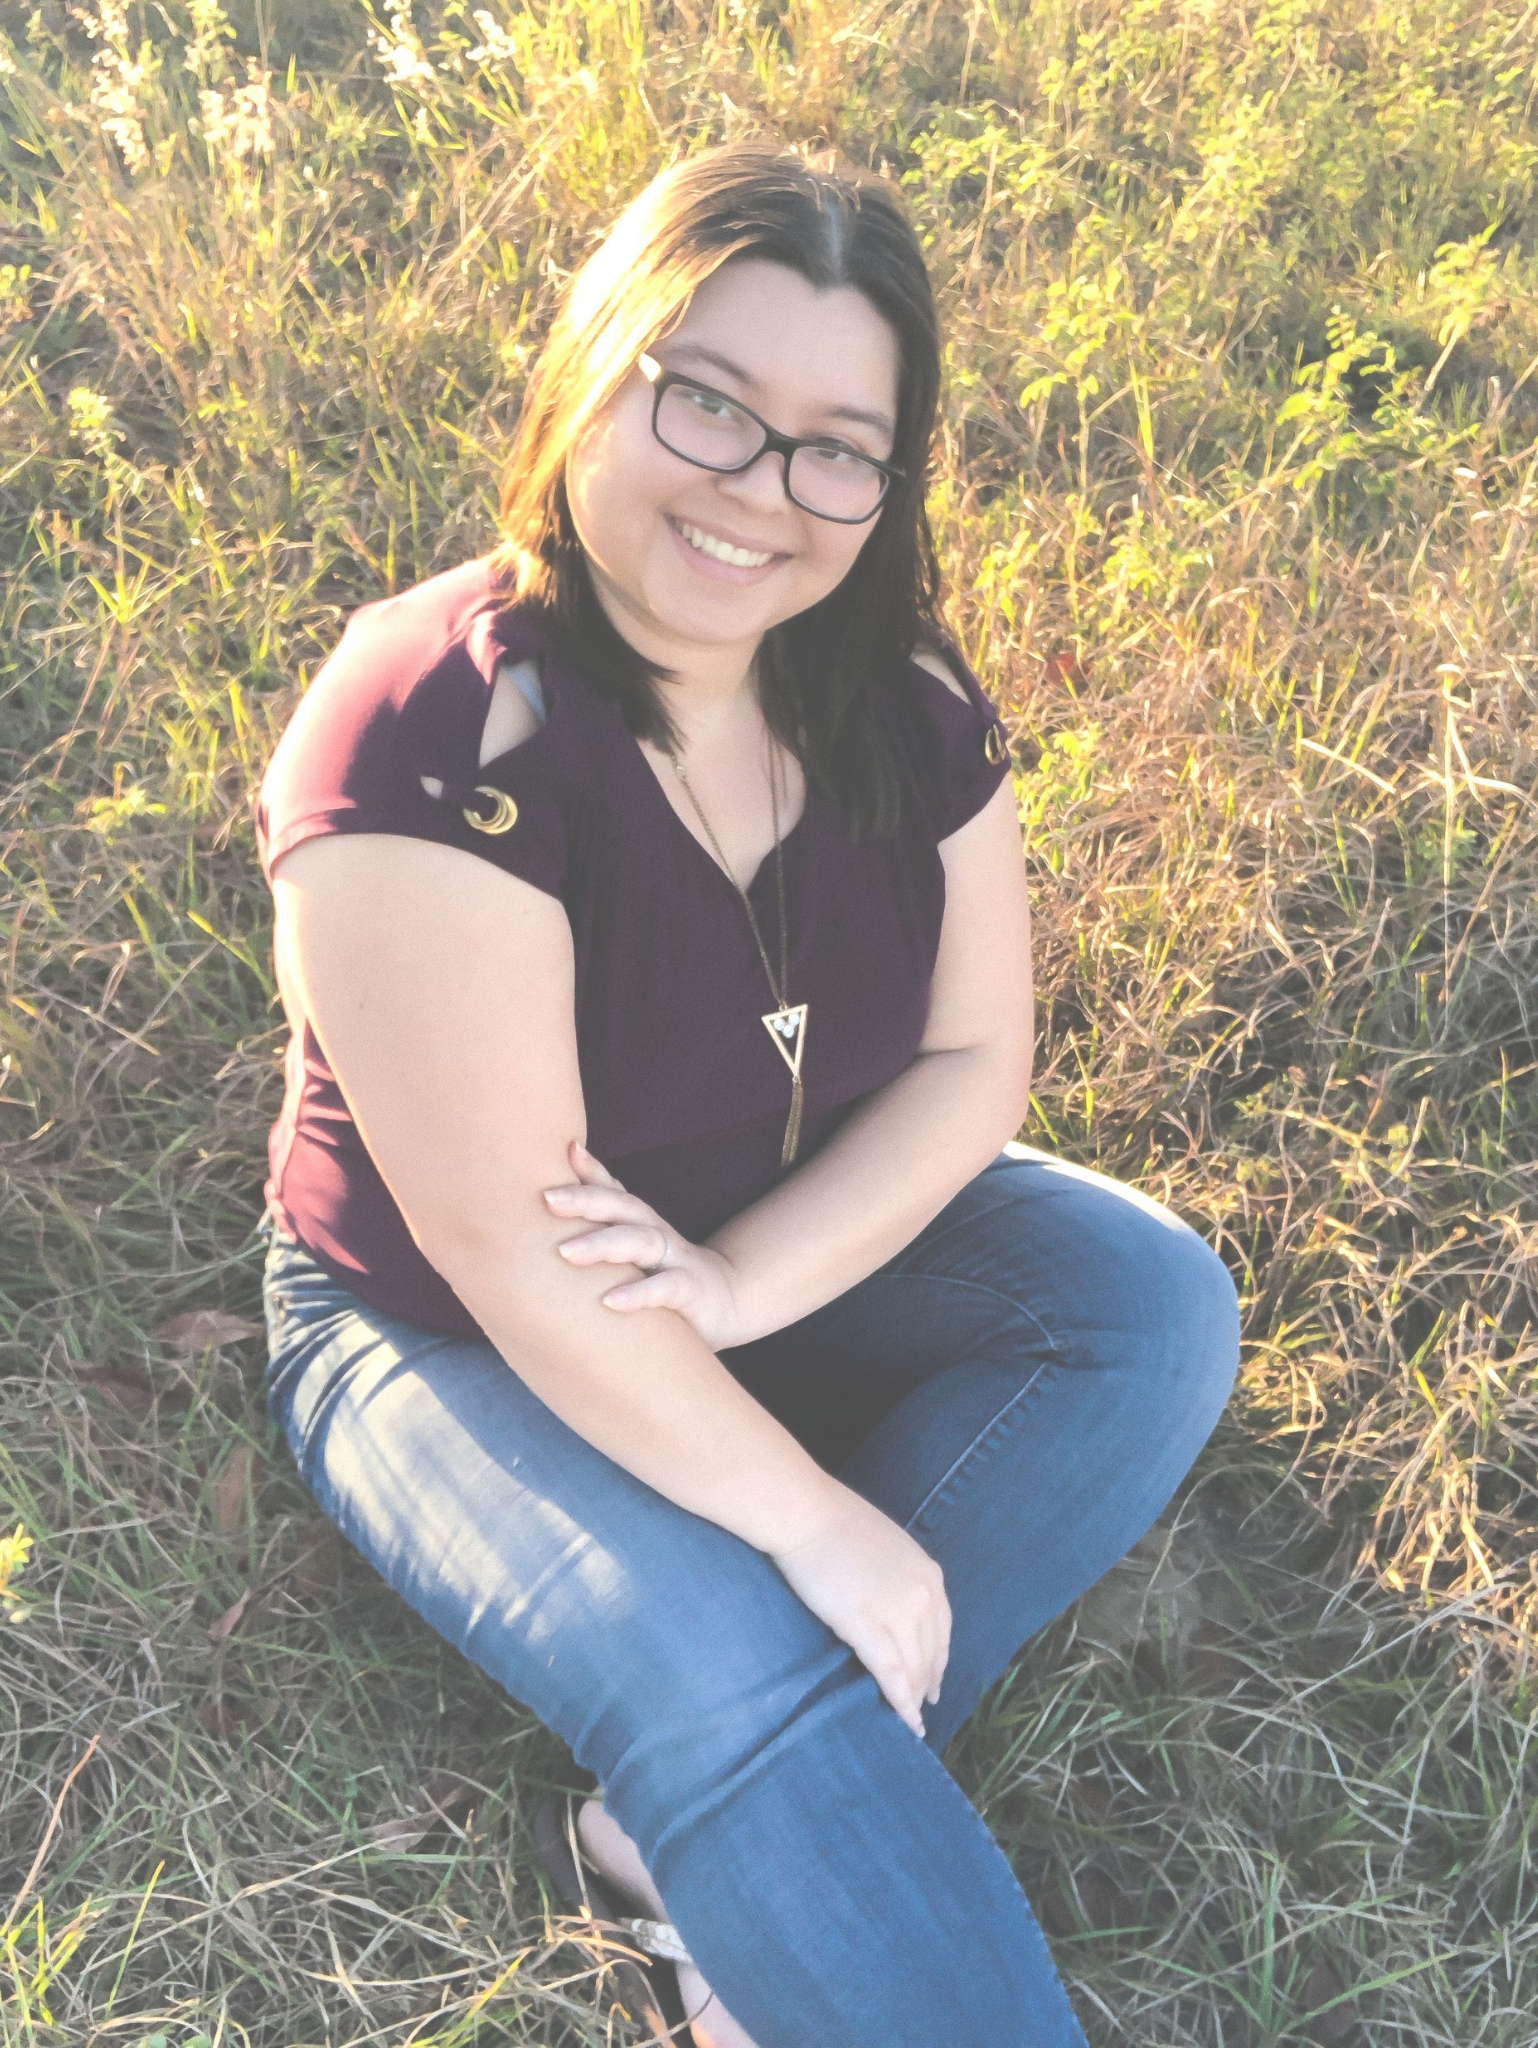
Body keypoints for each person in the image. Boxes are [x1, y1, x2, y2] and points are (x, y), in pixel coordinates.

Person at [255, 140, 1239, 2048]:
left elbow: (972, 1065)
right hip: (444, 1329)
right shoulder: (427, 738)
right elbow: (523, 1266)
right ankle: (748, 1792)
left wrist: (732, 1296)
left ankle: (685, 1837)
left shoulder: (899, 702)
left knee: (1143, 1305)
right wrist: (813, 1521)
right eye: (705, 403)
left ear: (888, 479)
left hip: (726, 1248)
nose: (758, 494)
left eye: (833, 447)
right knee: (744, 1664)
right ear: (592, 372)